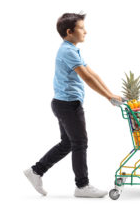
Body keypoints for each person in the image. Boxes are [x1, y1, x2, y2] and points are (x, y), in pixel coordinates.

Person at [24, 13, 122, 198]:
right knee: (80, 143)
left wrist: (111, 94)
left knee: (68, 143)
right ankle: (82, 186)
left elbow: (92, 74)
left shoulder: (72, 49)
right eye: (81, 28)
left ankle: (36, 171)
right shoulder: (67, 51)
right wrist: (108, 97)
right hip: (68, 105)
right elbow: (86, 78)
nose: (86, 31)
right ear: (69, 32)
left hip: (64, 104)